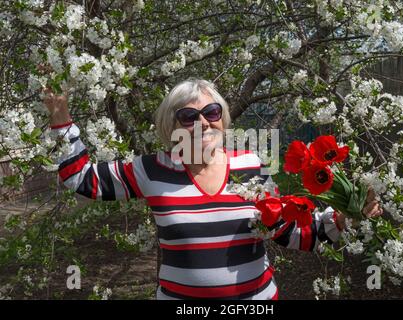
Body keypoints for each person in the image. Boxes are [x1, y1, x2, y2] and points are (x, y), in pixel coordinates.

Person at [44, 78, 383, 300]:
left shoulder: (251, 163)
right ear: (171, 126)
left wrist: (341, 219)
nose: (203, 121)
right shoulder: (150, 169)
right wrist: (60, 117)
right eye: (188, 116)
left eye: (211, 111)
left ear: (222, 118)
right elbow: (82, 179)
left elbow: (287, 230)